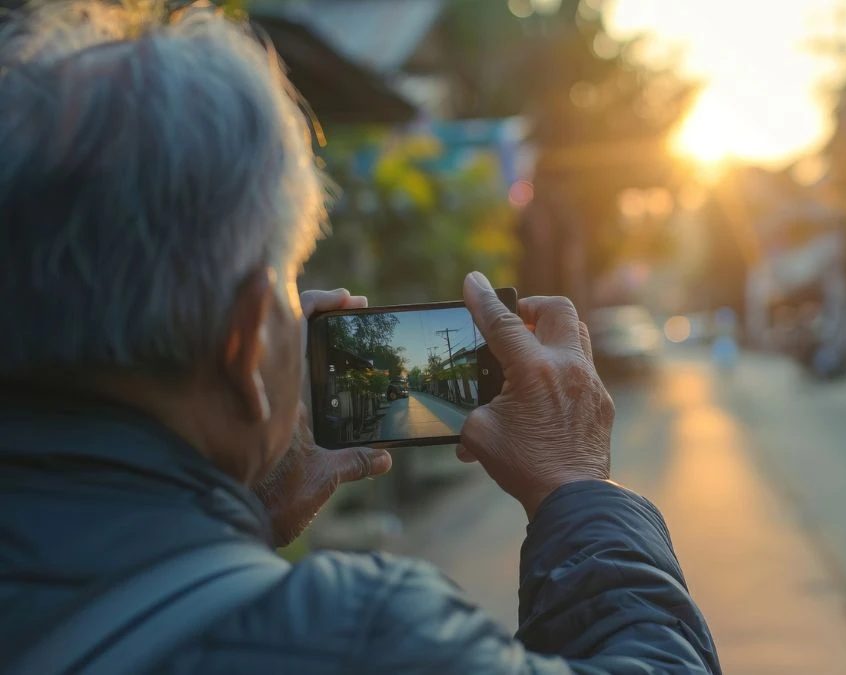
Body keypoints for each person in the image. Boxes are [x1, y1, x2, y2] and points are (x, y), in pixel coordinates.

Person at [0, 2, 720, 673]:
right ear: (247, 345)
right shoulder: (362, 634)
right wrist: (576, 485)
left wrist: (229, 523)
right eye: (288, 282)